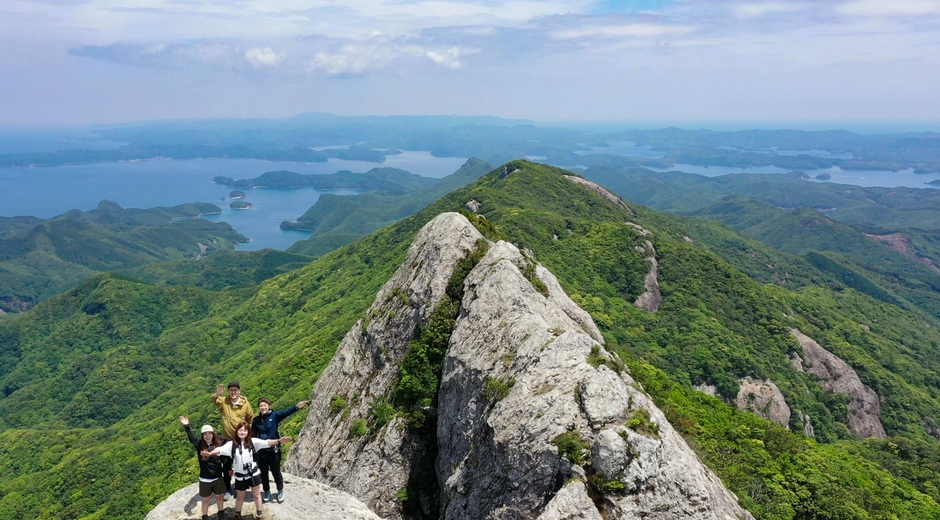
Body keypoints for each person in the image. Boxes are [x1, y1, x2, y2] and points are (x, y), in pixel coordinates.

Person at [202, 421, 291, 520]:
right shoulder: (232, 444)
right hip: (240, 475)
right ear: (237, 432)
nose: (242, 432)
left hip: (253, 473)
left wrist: (278, 441)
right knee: (240, 497)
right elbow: (220, 449)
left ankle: (259, 513)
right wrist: (210, 453)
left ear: (248, 432)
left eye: (245, 430)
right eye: (240, 430)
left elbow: (266, 442)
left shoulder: (253, 442)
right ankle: (238, 513)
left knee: (256, 495)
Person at [252, 397, 309, 503]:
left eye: (265, 405)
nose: (263, 407)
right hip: (261, 451)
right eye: (261, 406)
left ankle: (280, 490)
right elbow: (253, 436)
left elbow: (286, 412)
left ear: (269, 406)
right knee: (263, 473)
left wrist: (297, 407)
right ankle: (267, 491)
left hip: (274, 450)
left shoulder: (274, 416)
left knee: (276, 472)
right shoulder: (256, 420)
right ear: (259, 407)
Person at [212, 381, 254, 498]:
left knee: (242, 461)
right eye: (231, 390)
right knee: (226, 464)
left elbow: (250, 418)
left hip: (240, 438)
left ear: (239, 391)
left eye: (235, 390)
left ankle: (243, 484)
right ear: (228, 391)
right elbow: (214, 400)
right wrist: (217, 394)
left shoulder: (245, 404)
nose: (233, 392)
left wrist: (247, 432)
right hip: (226, 439)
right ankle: (228, 488)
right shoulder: (224, 401)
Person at [179, 416, 225, 520]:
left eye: (209, 433)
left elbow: (226, 455)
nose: (207, 436)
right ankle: (205, 516)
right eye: (205, 434)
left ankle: (221, 513)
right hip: (205, 479)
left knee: (219, 497)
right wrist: (187, 426)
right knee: (205, 499)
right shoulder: (199, 444)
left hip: (218, 477)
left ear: (213, 434)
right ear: (202, 435)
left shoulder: (219, 444)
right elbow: (191, 438)